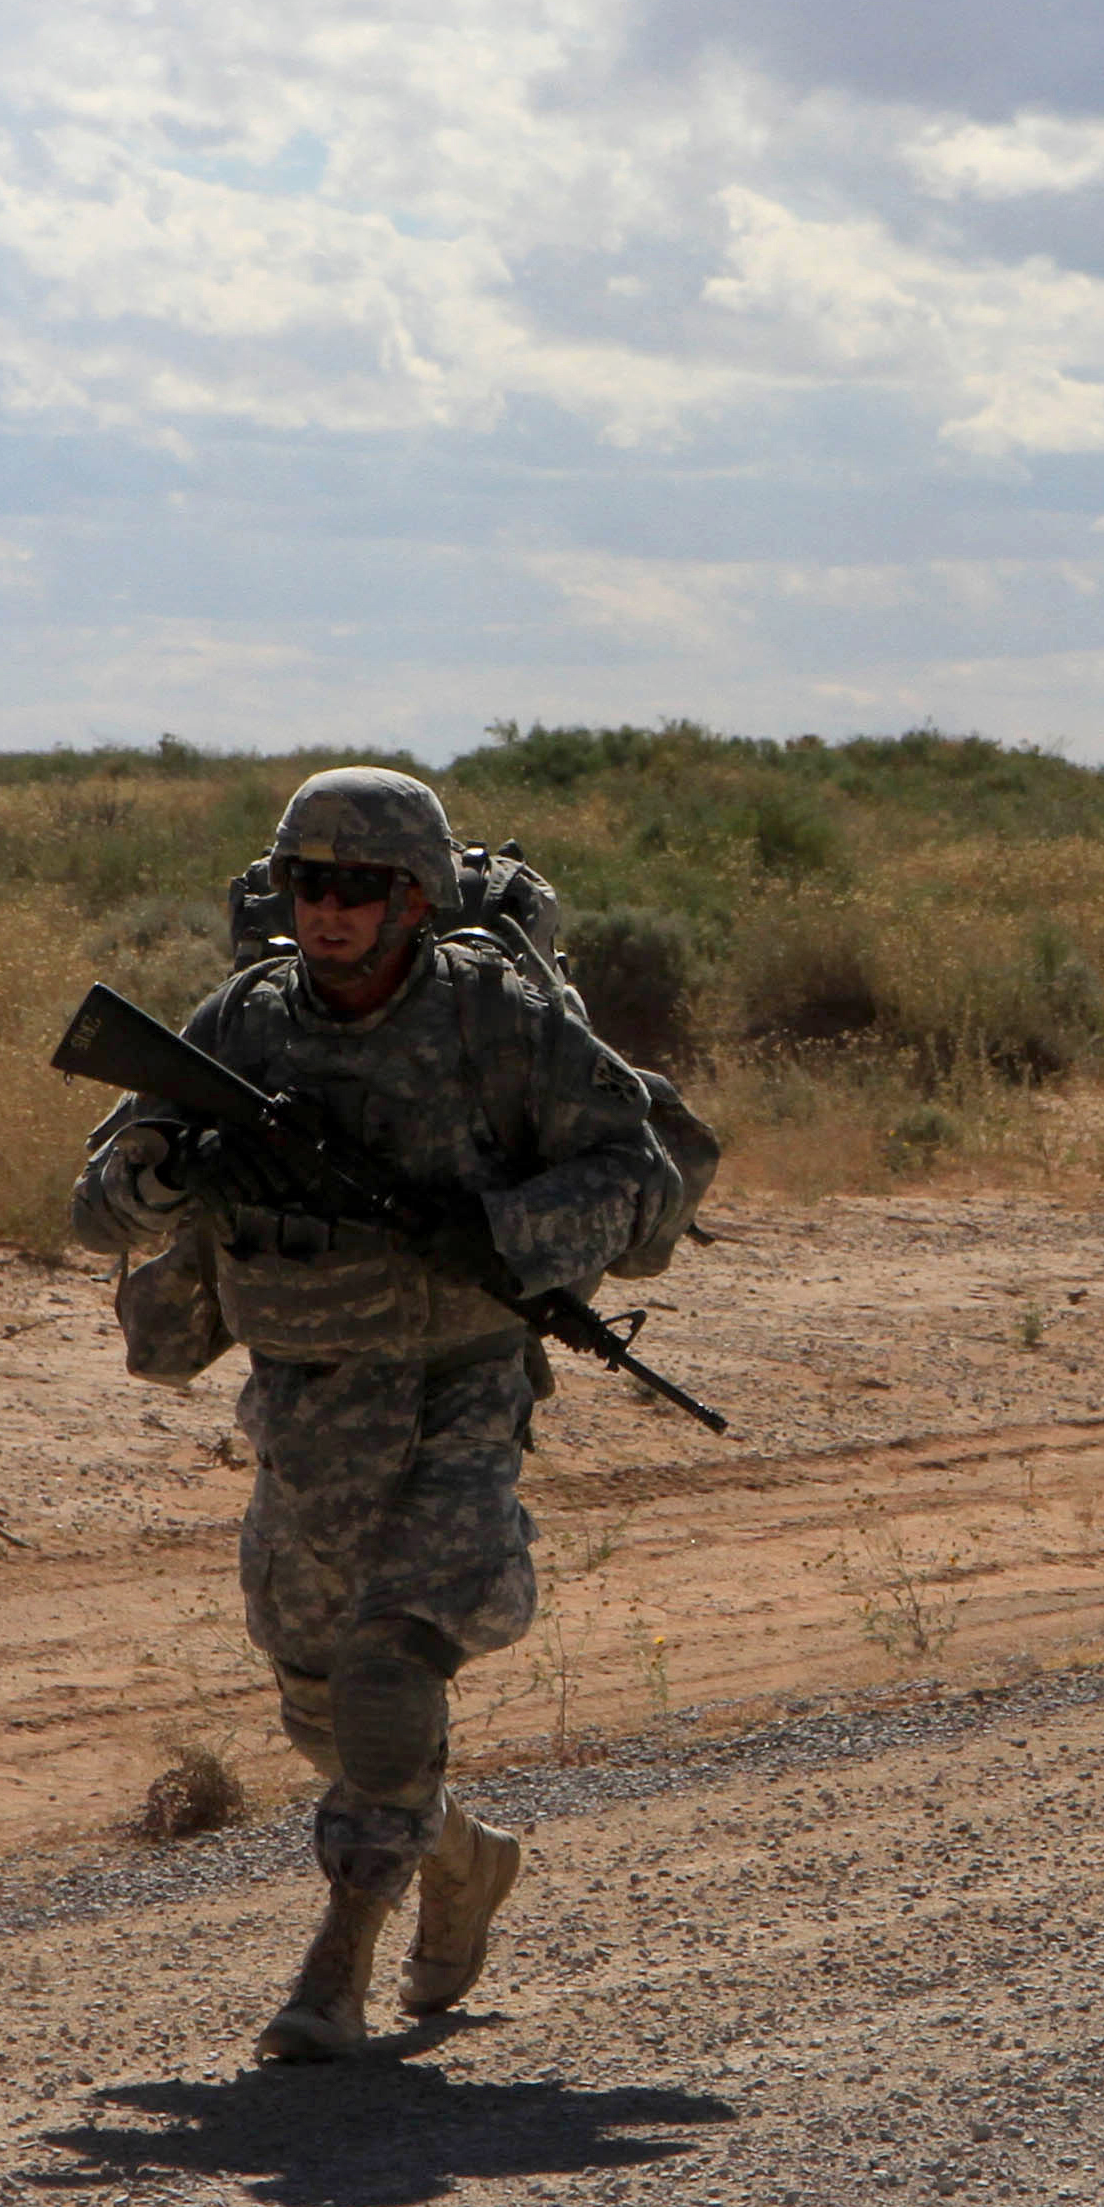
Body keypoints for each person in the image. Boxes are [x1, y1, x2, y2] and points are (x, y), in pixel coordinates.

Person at [73, 764, 687, 2061]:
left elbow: (640, 1179)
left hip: (457, 1392)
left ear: (417, 900)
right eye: (311, 882)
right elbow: (96, 1208)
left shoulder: (498, 1023)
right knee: (317, 1707)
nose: (331, 910)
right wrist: (168, 1167)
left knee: (390, 1666)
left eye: (362, 887)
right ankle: (459, 1861)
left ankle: (334, 1972)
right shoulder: (240, 1023)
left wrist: (500, 1232)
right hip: (301, 1412)